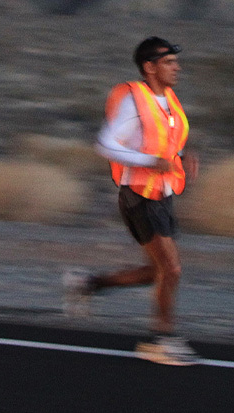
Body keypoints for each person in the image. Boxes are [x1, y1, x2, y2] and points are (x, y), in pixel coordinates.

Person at [68, 36, 200, 365]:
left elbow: (166, 140)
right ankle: (159, 340)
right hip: (139, 195)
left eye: (175, 61)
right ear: (149, 67)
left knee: (159, 271)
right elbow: (106, 144)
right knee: (171, 268)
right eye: (169, 62)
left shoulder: (168, 99)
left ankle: (88, 284)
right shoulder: (133, 100)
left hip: (162, 194)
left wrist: (181, 156)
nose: (177, 67)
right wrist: (149, 162)